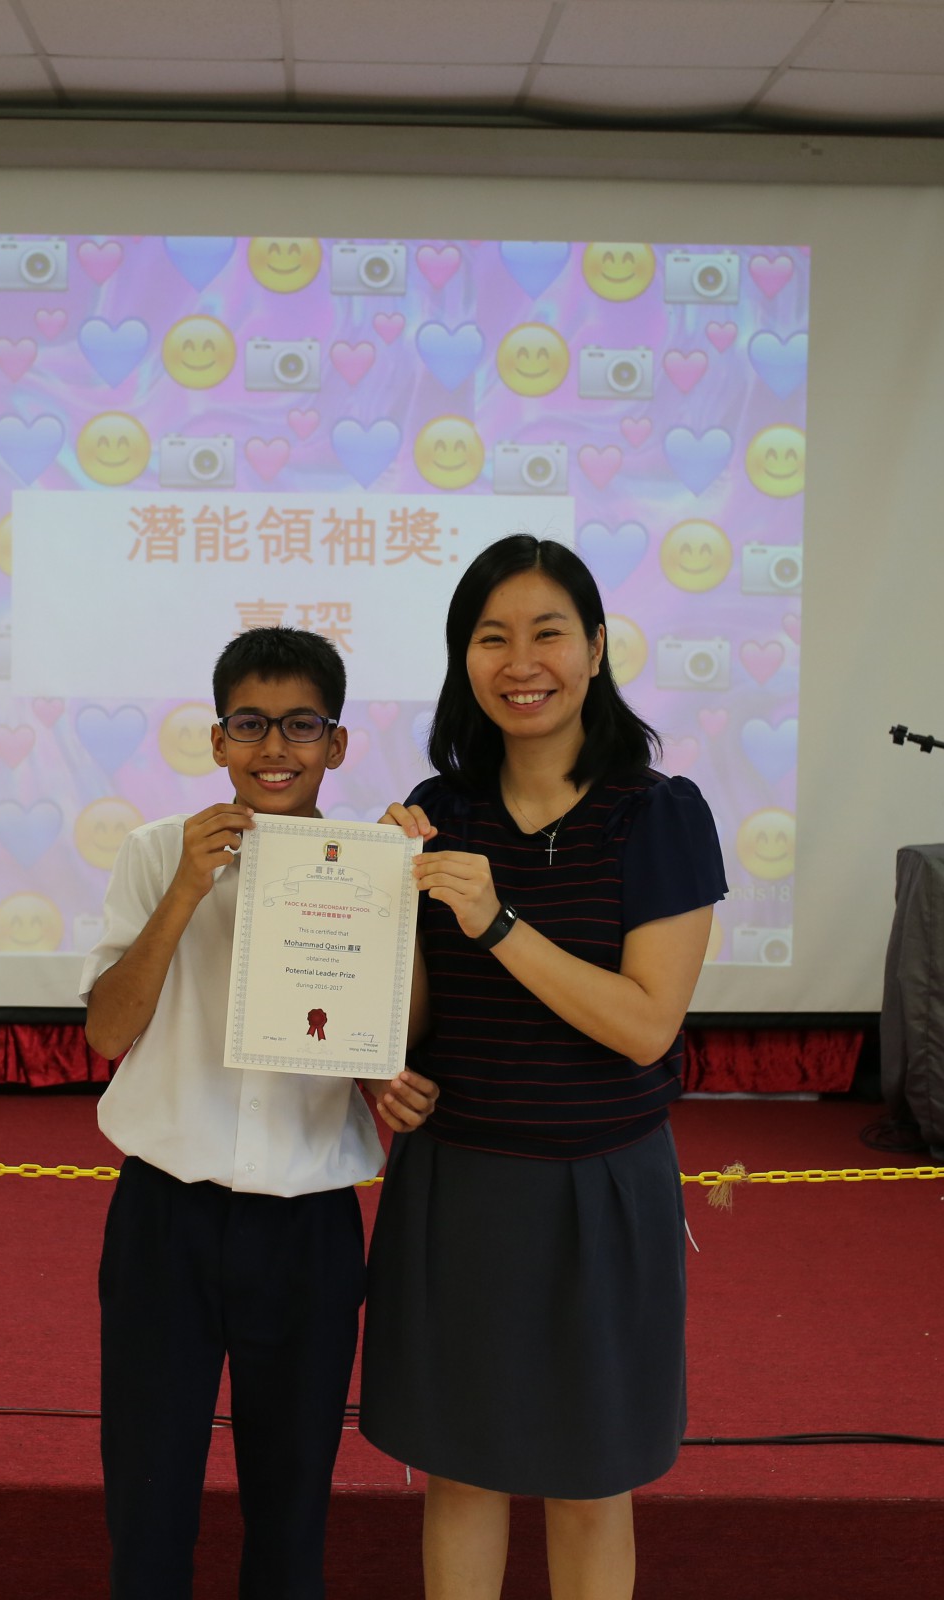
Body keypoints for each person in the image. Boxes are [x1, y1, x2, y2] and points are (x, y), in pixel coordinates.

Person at [364, 536, 726, 1600]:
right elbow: (413, 1020)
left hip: (598, 1185)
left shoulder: (657, 814)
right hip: (456, 1181)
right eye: (492, 638)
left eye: (548, 633)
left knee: (589, 1481)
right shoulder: (441, 809)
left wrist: (496, 919)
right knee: (460, 1472)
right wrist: (380, 1053)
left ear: (597, 648)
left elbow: (646, 1026)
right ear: (463, 659)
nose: (521, 663)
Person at [81, 626, 440, 1600]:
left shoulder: (373, 863)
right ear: (217, 739)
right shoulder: (156, 852)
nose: (274, 748)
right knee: (148, 1499)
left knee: (291, 1507)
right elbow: (107, 1033)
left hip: (307, 1226)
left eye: (300, 725)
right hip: (165, 1217)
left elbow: (401, 1032)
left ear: (337, 743)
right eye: (249, 723)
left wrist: (403, 900)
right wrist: (187, 888)